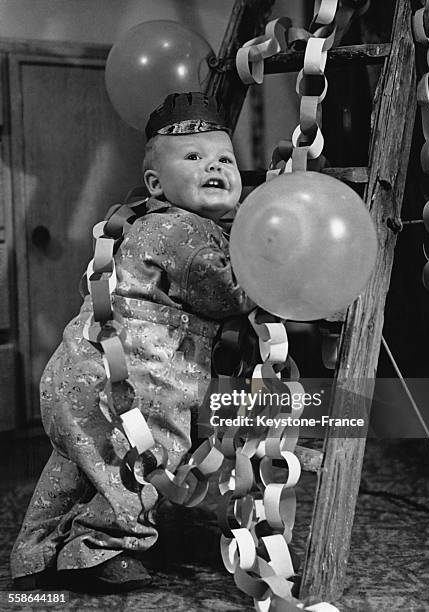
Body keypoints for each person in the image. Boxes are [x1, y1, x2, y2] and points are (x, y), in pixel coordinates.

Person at [11, 92, 254, 593]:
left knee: (78, 462)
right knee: (146, 455)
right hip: (137, 377)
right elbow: (225, 291)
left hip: (78, 363)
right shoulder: (182, 231)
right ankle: (106, 550)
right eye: (194, 158)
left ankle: (37, 552)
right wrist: (267, 263)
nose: (214, 167)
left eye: (225, 159)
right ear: (155, 183)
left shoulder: (138, 224)